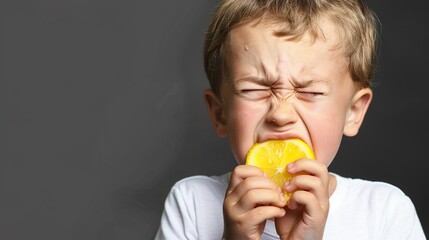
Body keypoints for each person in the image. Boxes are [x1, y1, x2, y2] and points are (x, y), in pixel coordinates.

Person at [155, 0, 427, 239]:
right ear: (219, 113)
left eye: (311, 91)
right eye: (254, 90)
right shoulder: (191, 203)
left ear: (353, 113)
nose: (280, 115)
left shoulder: (385, 213)